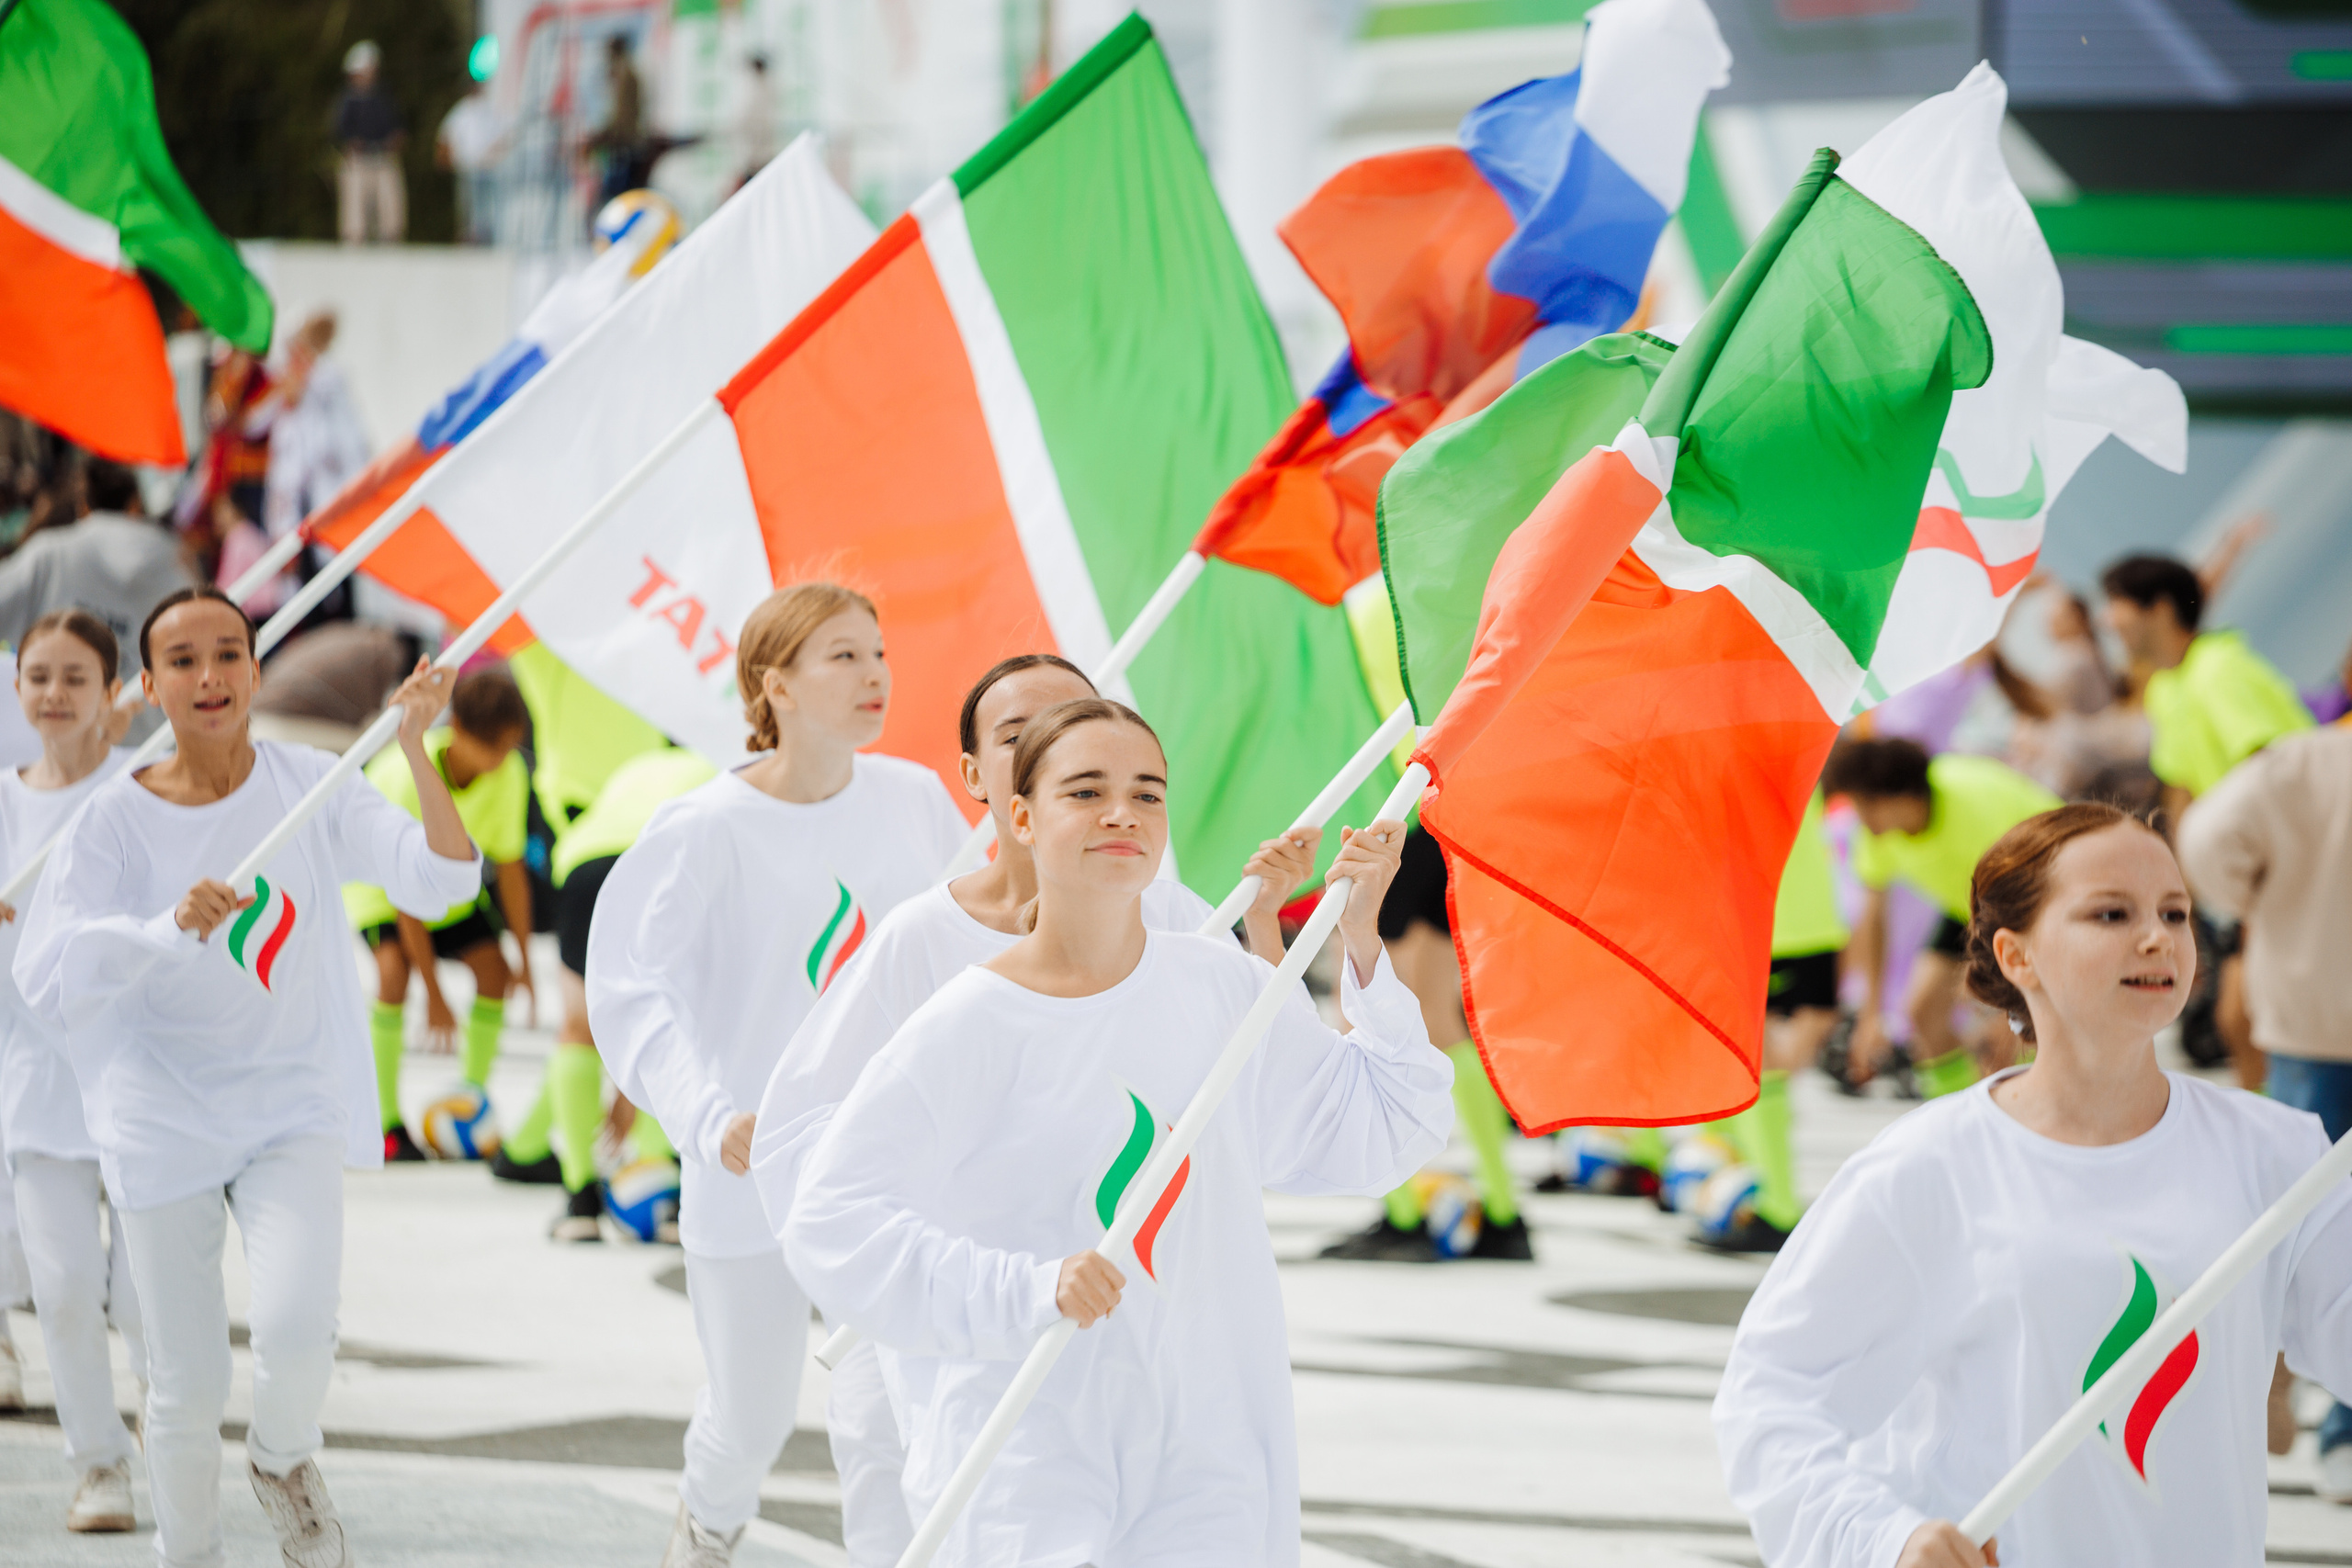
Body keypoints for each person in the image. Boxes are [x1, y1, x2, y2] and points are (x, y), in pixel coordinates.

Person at [784, 697, 1450, 1565]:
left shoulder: (1220, 990)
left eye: (1146, 792)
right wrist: (1025, 1286)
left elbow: (1385, 1128)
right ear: (1019, 815)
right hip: (1027, 1444)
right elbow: (830, 1222)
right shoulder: (972, 1021)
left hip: (1203, 1448)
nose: (1122, 814)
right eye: (1086, 790)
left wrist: (1360, 935)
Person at [1714, 802, 2352, 1567]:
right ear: (2017, 955)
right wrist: (1885, 1539)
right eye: (2110, 912)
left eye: (2176, 913)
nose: (2158, 937)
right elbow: (1772, 1396)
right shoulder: (1928, 1167)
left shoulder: (2276, 1155)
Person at [12, 586, 481, 1568]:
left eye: (229, 654)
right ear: (148, 687)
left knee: (300, 1327)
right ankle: (188, 1556)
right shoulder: (111, 819)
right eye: (183, 662)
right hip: (160, 1115)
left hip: (290, 1105)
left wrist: (413, 748)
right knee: (182, 1383)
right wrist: (164, 930)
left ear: (258, 670)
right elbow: (49, 970)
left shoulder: (311, 784)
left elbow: (440, 882)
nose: (210, 677)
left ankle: (282, 1457)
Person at [587, 583, 968, 1566]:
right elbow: (633, 992)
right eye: (843, 656)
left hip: (888, 1170)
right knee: (751, 1422)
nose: (875, 674)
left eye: (878, 652)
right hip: (751, 1168)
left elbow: (980, 947)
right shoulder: (704, 827)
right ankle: (708, 1524)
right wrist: (711, 1118)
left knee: (885, 1420)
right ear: (777, 685)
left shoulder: (917, 803)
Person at [2177, 723, 2352, 1505]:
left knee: (2293, 1229)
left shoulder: (2301, 762)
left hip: (2313, 1022)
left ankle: (2273, 1394)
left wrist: (2257, 895)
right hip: (2309, 1028)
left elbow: (2206, 840)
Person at [0, 611, 145, 1534]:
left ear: (112, 696)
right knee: (60, 1286)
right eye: (38, 677)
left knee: (145, 1302)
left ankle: (170, 1449)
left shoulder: (141, 794)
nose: (54, 695)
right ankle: (100, 1465)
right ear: (16, 690)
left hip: (141, 1078)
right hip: (35, 1079)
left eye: (75, 678)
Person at [2100, 553, 2312, 1091]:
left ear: (2161, 610)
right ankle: (2286, 1160)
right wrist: (2179, 895)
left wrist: (2269, 888)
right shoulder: (2170, 687)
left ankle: (2294, 1158)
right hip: (2258, 878)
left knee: (2250, 1021)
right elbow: (2182, 793)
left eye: (2118, 609)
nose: (2109, 623)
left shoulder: (2220, 670)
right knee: (2243, 1023)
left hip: (2299, 867)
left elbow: (2276, 772)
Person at [497, 741, 713, 1242]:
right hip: (663, 866)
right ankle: (665, 1197)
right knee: (671, 1019)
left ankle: (580, 1200)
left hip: (584, 865)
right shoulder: (721, 766)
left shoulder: (635, 764)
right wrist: (629, 1095)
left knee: (577, 1025)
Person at [344, 665, 535, 1162]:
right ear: (460, 733)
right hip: (385, 888)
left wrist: (526, 962)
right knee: (391, 975)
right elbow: (405, 899)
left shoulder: (508, 773)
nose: (502, 760)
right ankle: (385, 1121)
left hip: (449, 887)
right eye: (494, 748)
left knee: (495, 972)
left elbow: (511, 869)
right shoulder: (409, 778)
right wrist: (434, 993)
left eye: (511, 747)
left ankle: (468, 1101)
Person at [1318, 826, 1533, 1263]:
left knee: (1361, 1017)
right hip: (1449, 825)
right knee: (1439, 1017)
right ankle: (1504, 1213)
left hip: (1392, 822)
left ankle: (1404, 1217)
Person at [1825, 738, 2058, 1097]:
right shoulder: (1877, 834)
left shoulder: (1972, 809)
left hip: (2044, 895)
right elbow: (1873, 919)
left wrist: (2010, 1012)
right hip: (1974, 904)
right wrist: (1870, 1015)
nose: (1861, 817)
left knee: (2014, 1039)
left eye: (1866, 805)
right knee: (1922, 1012)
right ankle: (1957, 1115)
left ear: (1902, 796)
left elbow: (2027, 899)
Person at [1702, 790, 1850, 1254]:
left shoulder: (1742, 754)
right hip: (1809, 920)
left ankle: (1776, 1205)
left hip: (1773, 924)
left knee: (1762, 1066)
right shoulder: (1790, 737)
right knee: (1764, 1069)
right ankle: (1755, 1186)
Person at [0, 457, 198, 696]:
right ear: (134, 503)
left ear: (83, 506)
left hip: (62, 720)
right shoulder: (174, 555)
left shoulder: (50, 554)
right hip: (156, 725)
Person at [334, 40, 406, 245]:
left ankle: (391, 236)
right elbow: (340, 130)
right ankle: (354, 237)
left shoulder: (384, 97)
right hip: (358, 160)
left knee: (390, 199)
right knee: (354, 200)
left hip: (383, 157)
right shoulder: (348, 100)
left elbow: (397, 125)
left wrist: (395, 138)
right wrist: (352, 142)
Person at [588, 35, 650, 209]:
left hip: (625, 147)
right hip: (626, 144)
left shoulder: (625, 75)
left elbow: (623, 117)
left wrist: (605, 135)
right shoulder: (626, 73)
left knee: (617, 201)